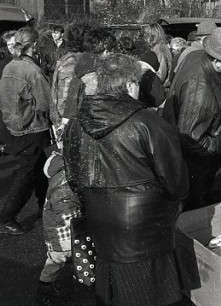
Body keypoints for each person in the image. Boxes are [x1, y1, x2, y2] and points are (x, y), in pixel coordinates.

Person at [63, 53, 188, 305]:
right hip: (146, 228)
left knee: (112, 288)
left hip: (100, 221)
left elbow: (72, 175)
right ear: (131, 85)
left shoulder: (75, 123)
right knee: (149, 292)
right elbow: (176, 180)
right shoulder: (148, 122)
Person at [162, 23, 221, 209]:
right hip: (193, 162)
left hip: (181, 152)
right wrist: (217, 145)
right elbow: (191, 138)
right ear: (216, 60)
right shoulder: (200, 91)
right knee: (195, 205)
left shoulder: (196, 55)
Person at [0, 27, 51, 234]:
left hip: (15, 126)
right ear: (34, 45)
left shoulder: (10, 66)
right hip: (32, 128)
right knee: (26, 174)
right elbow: (45, 103)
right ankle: (6, 217)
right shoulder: (32, 71)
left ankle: (44, 206)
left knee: (39, 168)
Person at [37, 148, 82, 302]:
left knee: (58, 258)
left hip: (56, 228)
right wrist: (70, 242)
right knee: (58, 259)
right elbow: (68, 214)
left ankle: (49, 283)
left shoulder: (59, 178)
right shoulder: (64, 188)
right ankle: (46, 286)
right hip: (62, 233)